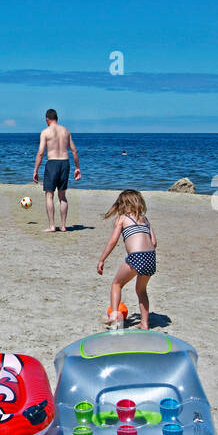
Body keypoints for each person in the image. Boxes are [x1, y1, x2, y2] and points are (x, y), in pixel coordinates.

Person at [96, 189, 157, 330]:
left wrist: (102, 259)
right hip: (151, 257)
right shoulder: (145, 219)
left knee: (116, 284)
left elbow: (113, 241)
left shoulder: (122, 218)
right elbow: (154, 242)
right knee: (141, 290)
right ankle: (145, 323)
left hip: (136, 257)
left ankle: (114, 318)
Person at [33, 108, 81, 232]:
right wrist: (77, 167)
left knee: (49, 195)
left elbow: (40, 152)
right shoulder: (66, 131)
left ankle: (52, 226)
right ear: (57, 118)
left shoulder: (45, 132)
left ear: (47, 119)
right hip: (65, 163)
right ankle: (63, 226)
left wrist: (36, 170)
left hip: (53, 163)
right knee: (62, 196)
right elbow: (74, 150)